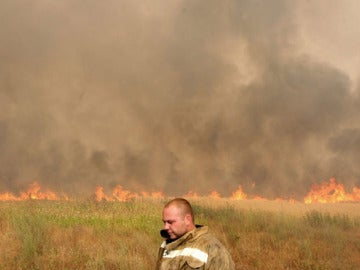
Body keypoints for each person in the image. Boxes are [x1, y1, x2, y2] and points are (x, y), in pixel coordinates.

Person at [155, 197, 235, 270]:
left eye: (170, 222)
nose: (165, 227)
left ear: (187, 220)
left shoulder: (213, 249)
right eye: (164, 222)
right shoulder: (166, 245)